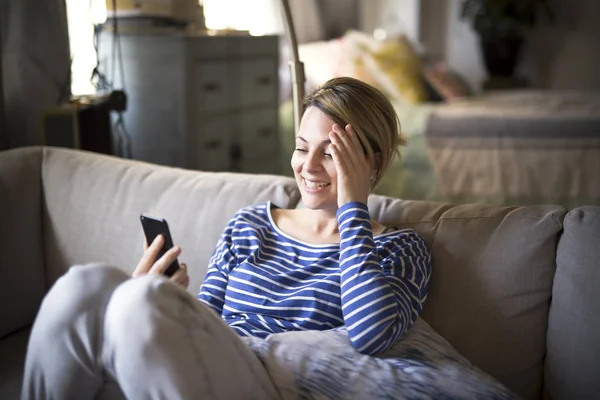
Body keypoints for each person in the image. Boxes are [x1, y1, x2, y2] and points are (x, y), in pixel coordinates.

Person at [21, 77, 431, 400]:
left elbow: (371, 333)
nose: (307, 166)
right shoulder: (250, 224)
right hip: (217, 363)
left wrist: (353, 208)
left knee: (135, 301)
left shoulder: (400, 248)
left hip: (278, 385)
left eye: (329, 153)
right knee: (86, 284)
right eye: (301, 147)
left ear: (371, 162)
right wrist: (166, 298)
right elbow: (208, 320)